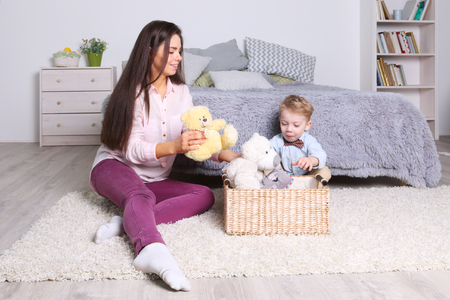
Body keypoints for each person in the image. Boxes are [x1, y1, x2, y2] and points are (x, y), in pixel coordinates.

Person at [90, 20, 239, 292]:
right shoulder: (129, 93)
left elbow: (198, 137)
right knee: (140, 195)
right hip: (114, 167)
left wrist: (229, 156)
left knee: (204, 195)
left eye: (179, 51)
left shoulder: (181, 92)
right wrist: (173, 146)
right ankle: (151, 251)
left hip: (154, 178)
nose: (179, 57)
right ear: (149, 51)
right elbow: (132, 149)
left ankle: (129, 221)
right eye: (171, 51)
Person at [270, 95, 331, 184]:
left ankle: (307, 187)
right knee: (267, 167)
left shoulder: (309, 140)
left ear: (307, 125)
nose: (289, 129)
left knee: (325, 171)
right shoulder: (277, 140)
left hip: (307, 176)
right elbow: (266, 150)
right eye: (284, 124)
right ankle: (283, 185)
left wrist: (311, 160)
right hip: (284, 176)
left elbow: (320, 154)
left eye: (296, 125)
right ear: (280, 121)